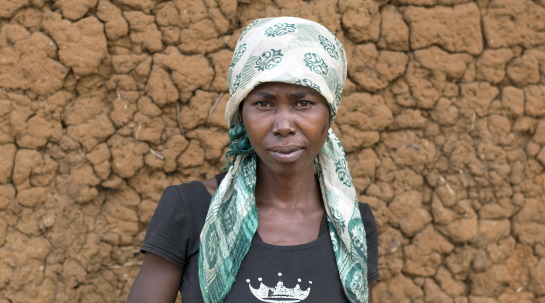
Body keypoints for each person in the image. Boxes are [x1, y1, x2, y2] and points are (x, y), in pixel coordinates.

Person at [127, 17, 379, 303]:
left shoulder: (351, 223)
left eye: (303, 103)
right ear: (241, 113)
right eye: (263, 103)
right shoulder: (190, 209)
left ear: (329, 113)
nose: (284, 124)